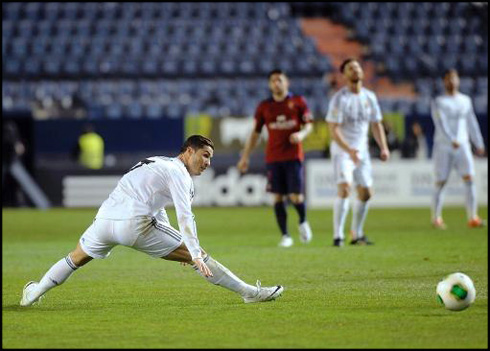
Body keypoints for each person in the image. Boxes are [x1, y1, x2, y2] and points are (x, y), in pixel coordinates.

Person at [20, 135, 284, 307]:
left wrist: (176, 243)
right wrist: (193, 253)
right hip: (134, 224)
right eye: (204, 155)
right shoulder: (180, 175)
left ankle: (34, 292)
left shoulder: (157, 163)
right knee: (200, 255)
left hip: (104, 220)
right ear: (189, 151)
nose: (207, 163)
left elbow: (155, 204)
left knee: (75, 258)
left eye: (211, 158)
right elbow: (185, 216)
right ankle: (248, 292)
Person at [237, 69, 314, 248]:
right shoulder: (264, 106)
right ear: (269, 84)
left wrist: (301, 135)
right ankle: (286, 236)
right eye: (273, 81)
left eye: (279, 80)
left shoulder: (298, 101)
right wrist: (245, 156)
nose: (276, 83)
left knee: (296, 197)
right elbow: (255, 133)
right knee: (277, 197)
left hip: (293, 156)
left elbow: (309, 125)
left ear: (287, 83)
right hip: (273, 157)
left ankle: (302, 221)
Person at [325, 58, 390, 247]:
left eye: (357, 67)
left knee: (366, 193)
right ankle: (338, 237)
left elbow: (376, 124)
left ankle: (357, 234)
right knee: (345, 188)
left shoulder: (369, 97)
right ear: (344, 75)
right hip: (342, 151)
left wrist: (383, 147)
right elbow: (333, 129)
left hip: (361, 151)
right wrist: (348, 150)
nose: (355, 70)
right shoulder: (339, 99)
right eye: (350, 68)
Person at [430, 69, 486, 229]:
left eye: (454, 78)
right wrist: (450, 139)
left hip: (463, 146)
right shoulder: (439, 101)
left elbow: (471, 122)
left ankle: (473, 217)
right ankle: (436, 218)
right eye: (448, 79)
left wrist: (479, 142)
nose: (451, 82)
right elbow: (440, 123)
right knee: (440, 181)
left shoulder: (465, 100)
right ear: (444, 82)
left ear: (458, 80)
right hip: (443, 146)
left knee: (469, 179)